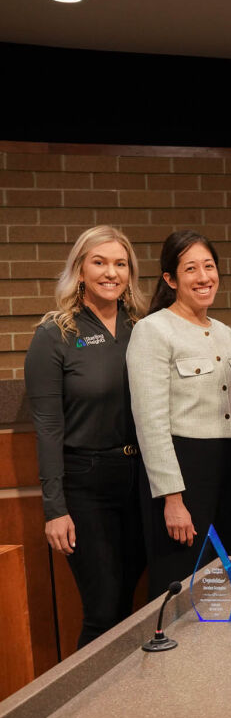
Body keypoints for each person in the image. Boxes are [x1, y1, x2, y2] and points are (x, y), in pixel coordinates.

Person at [24, 226, 148, 648]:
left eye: (120, 264)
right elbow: (47, 426)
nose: (111, 272)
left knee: (134, 608)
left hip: (141, 480)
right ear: (79, 270)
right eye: (99, 262)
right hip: (86, 483)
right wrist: (54, 507)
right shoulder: (54, 333)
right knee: (103, 610)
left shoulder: (144, 328)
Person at [127, 230, 231, 597]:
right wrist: (173, 499)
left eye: (209, 267)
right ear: (170, 279)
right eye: (190, 268)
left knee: (224, 583)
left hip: (225, 469)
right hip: (183, 473)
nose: (203, 277)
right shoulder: (152, 330)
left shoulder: (224, 333)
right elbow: (151, 423)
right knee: (180, 584)